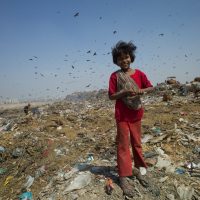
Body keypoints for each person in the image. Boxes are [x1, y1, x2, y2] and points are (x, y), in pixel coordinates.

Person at [108, 41, 154, 197]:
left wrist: (140, 91)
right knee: (122, 144)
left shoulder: (139, 74)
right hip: (122, 115)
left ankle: (140, 167)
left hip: (136, 113)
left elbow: (150, 87)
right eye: (120, 59)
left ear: (131, 57)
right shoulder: (115, 76)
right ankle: (124, 175)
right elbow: (111, 95)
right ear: (116, 61)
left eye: (126, 57)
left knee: (136, 141)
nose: (124, 61)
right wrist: (124, 92)